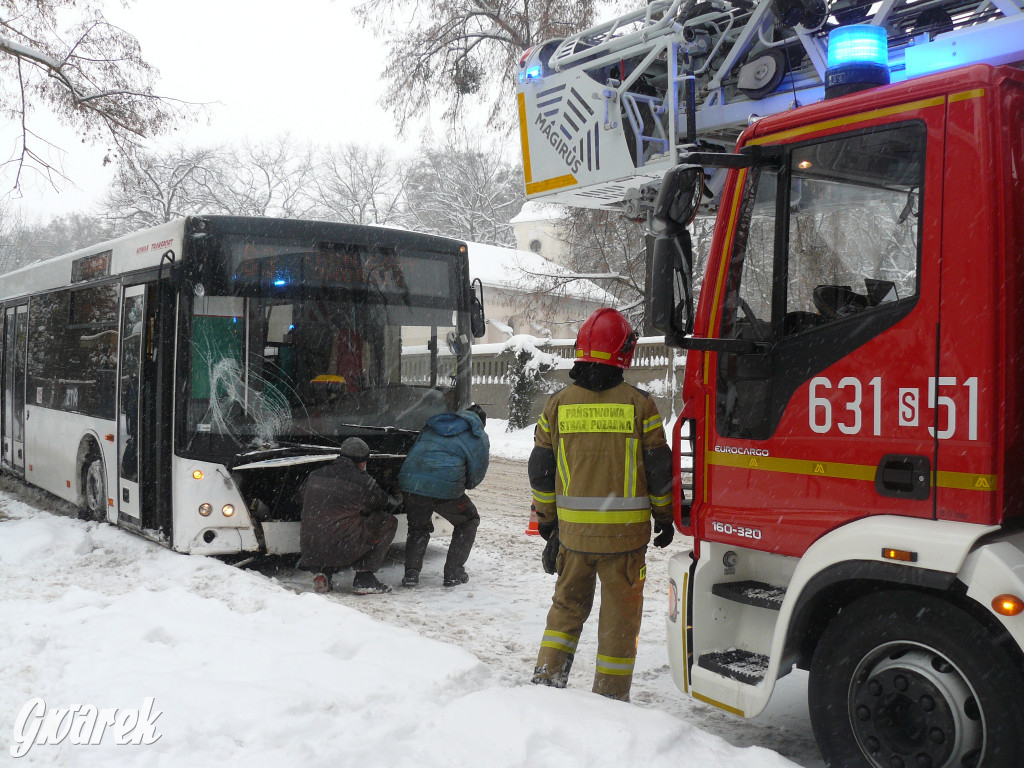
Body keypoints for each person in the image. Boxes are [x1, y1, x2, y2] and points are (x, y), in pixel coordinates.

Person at [528, 308, 674, 702]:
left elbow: (541, 472)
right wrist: (665, 517)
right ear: (624, 353)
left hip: (573, 540)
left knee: (566, 610)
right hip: (624, 545)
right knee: (619, 625)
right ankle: (608, 701)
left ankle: (546, 683)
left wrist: (547, 524)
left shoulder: (557, 405)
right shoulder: (641, 407)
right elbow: (660, 473)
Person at [398, 404, 489, 588]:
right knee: (468, 520)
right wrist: (463, 483)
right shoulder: (477, 435)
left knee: (418, 526)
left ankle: (411, 574)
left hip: (410, 483)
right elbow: (476, 473)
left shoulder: (436, 424)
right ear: (481, 422)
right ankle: (453, 573)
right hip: (444, 488)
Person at [298, 437, 400, 595]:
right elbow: (381, 502)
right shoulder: (363, 481)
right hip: (341, 547)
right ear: (363, 461)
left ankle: (324, 573)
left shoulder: (315, 475)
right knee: (388, 521)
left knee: (330, 523)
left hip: (311, 549)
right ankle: (364, 578)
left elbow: (300, 497)